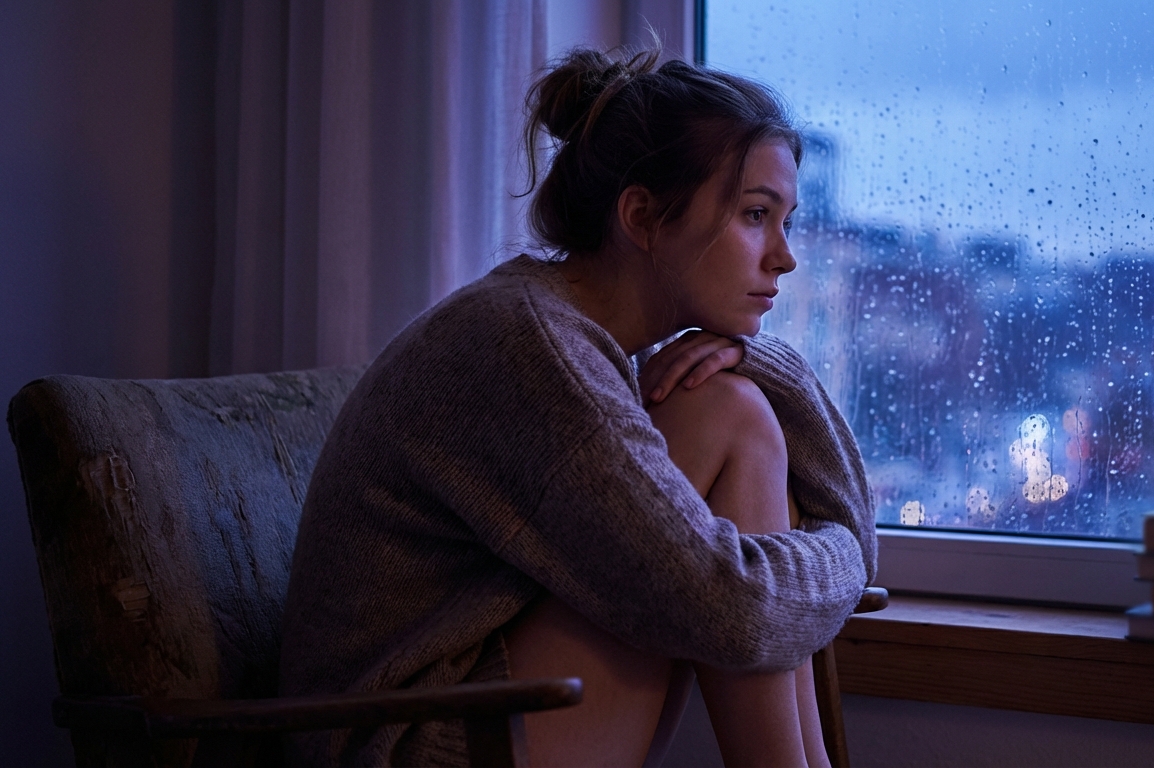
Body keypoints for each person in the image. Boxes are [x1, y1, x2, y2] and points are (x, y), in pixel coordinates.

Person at [279, 46, 875, 767]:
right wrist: (843, 549)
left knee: (730, 408)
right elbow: (733, 609)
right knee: (727, 416)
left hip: (472, 713)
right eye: (755, 215)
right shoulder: (529, 349)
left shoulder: (579, 342)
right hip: (406, 746)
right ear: (643, 218)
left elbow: (750, 597)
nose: (783, 256)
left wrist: (772, 367)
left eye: (785, 221)